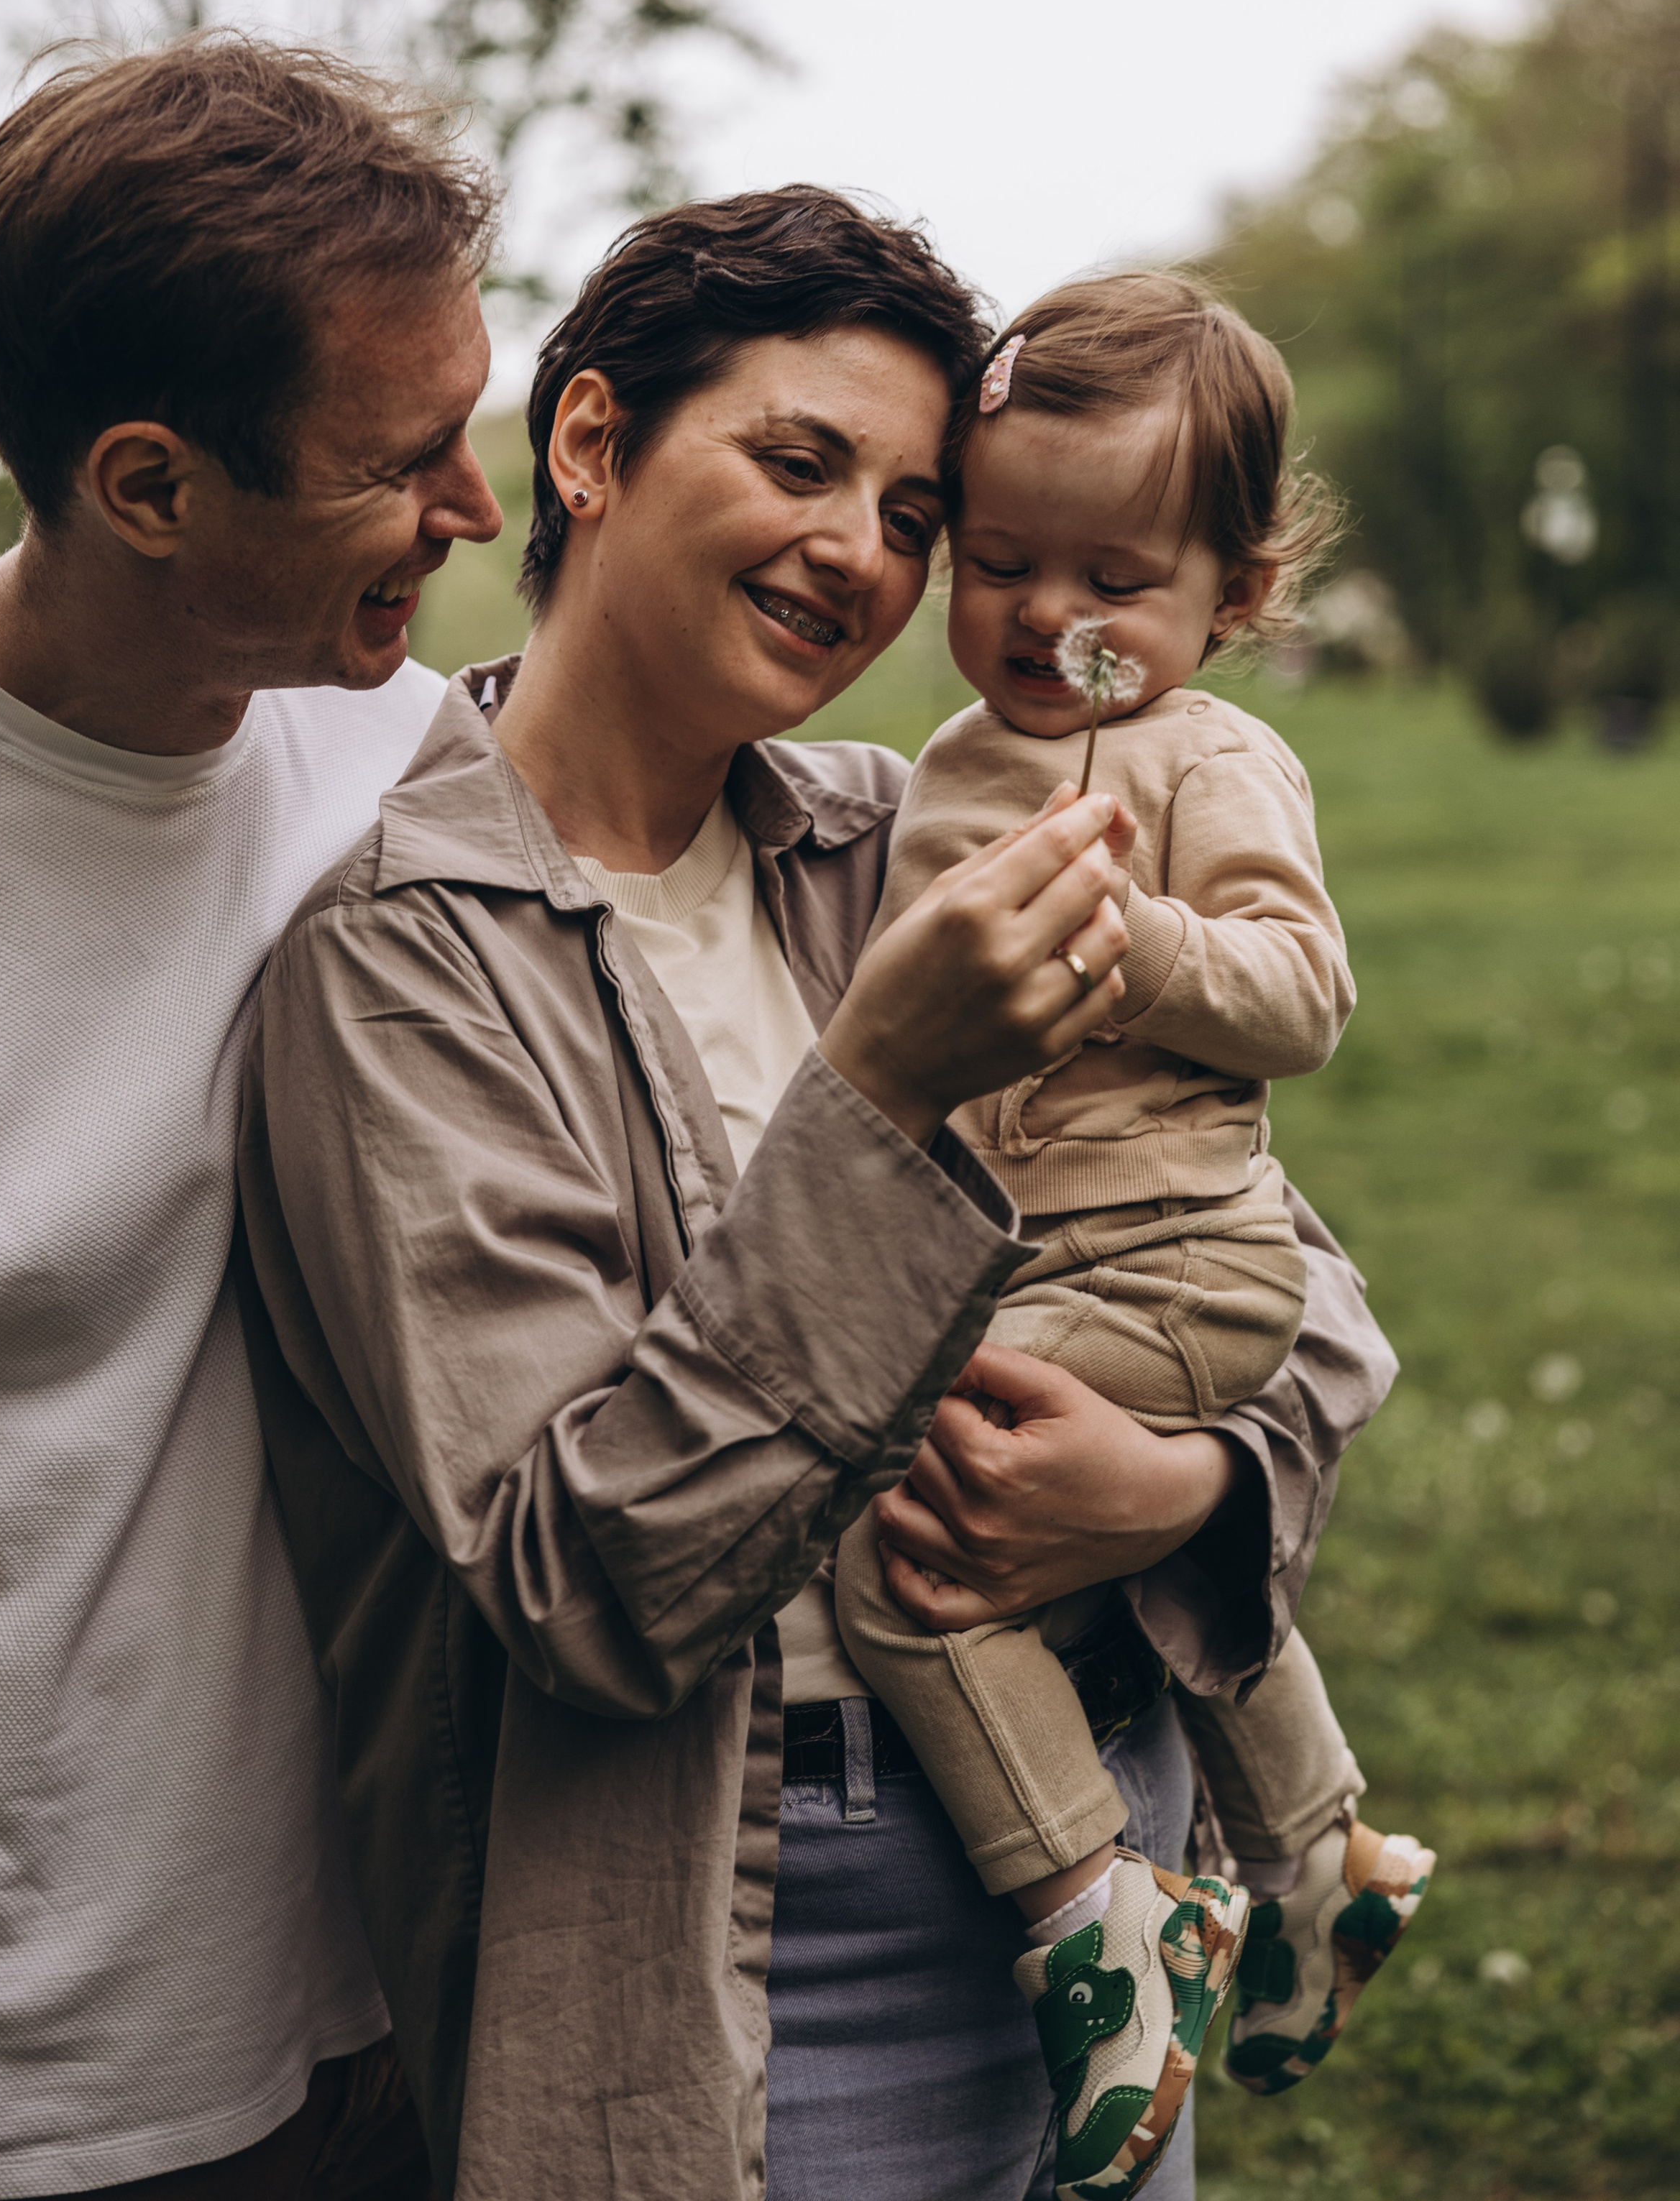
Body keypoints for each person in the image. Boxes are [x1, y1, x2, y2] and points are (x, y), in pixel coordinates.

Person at [234, 189, 1401, 2201]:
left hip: (1122, 1820)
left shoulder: (889, 842)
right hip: (773, 1923)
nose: (861, 551)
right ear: (588, 450)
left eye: (914, 512)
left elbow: (1280, 1269)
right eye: (799, 463)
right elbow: (584, 1586)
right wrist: (880, 1092)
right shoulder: (401, 964)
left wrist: (1186, 1489)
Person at [0, 36, 505, 2197]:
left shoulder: (403, 764)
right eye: (405, 459)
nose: (475, 512)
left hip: (388, 2006)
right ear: (150, 489)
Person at [834, 274, 1436, 2199]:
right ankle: (1322, 1853)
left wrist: (1139, 949)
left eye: (1111, 581)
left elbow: (1302, 993)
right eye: (996, 560)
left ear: (1230, 602)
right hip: (1043, 1253)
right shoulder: (945, 763)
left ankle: (1097, 1908)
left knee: (906, 1555)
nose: (1044, 618)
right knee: (1115, 1548)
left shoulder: (1204, 761)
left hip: (1178, 1259)